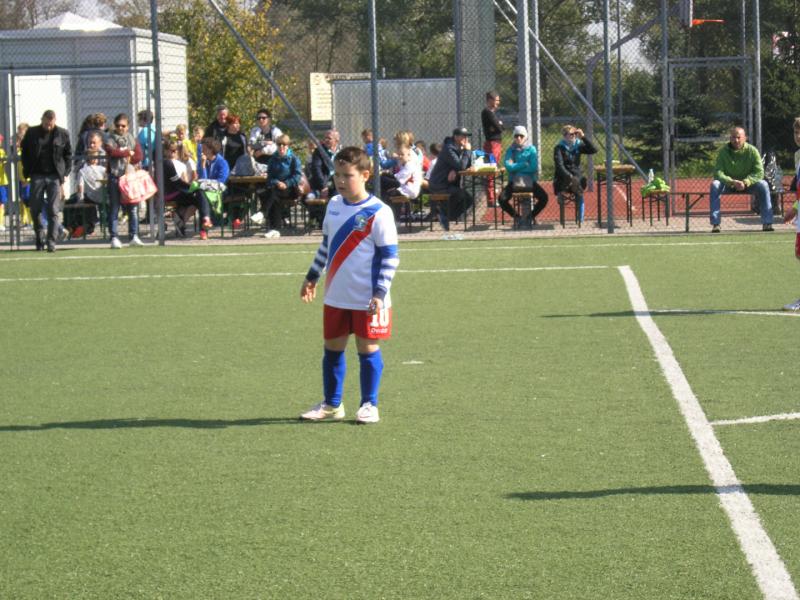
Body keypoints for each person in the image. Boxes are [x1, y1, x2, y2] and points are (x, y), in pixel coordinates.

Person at [299, 146, 399, 424]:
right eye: (337, 175)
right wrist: (312, 276)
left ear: (365, 175)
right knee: (332, 350)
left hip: (368, 298)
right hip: (336, 294)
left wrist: (380, 293)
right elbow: (326, 246)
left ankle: (369, 404)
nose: (340, 181)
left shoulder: (379, 212)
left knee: (368, 350)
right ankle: (332, 404)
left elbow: (390, 257)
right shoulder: (333, 205)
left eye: (347, 175)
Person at [20, 109, 72, 252]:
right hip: (36, 175)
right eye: (46, 123)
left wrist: (65, 173)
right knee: (35, 208)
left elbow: (68, 154)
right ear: (42, 119)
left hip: (54, 176)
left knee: (53, 210)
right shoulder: (32, 133)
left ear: (55, 121)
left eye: (51, 123)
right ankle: (39, 237)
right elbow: (24, 152)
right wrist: (27, 170)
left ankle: (51, 242)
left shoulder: (62, 133)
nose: (48, 126)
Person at [709, 126, 773, 233]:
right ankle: (716, 224)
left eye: (739, 137)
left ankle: (767, 223)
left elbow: (759, 172)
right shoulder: (723, 152)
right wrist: (731, 181)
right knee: (715, 185)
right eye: (733, 137)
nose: (736, 140)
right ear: (730, 138)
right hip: (729, 185)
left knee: (763, 184)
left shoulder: (753, 151)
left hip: (749, 185)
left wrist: (746, 182)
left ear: (745, 138)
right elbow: (718, 173)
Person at [104, 112, 144, 249]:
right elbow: (111, 152)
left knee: (133, 208)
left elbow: (138, 156)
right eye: (118, 125)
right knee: (115, 208)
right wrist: (126, 153)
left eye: (123, 126)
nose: (120, 128)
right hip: (115, 177)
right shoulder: (110, 139)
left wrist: (127, 156)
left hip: (129, 178)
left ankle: (134, 236)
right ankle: (114, 237)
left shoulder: (132, 139)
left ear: (128, 126)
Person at [162, 140, 213, 240]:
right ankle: (193, 223)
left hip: (170, 193)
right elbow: (177, 182)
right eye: (171, 150)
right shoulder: (168, 163)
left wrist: (190, 187)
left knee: (192, 199)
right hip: (171, 193)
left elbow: (182, 181)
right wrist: (191, 187)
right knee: (199, 198)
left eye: (175, 150)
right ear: (165, 151)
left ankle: (180, 219)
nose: (174, 152)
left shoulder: (163, 163)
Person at [427, 127, 474, 231]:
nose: (466, 139)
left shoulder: (458, 148)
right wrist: (467, 151)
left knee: (467, 199)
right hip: (439, 184)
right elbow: (462, 166)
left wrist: (455, 169)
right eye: (463, 136)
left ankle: (444, 215)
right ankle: (443, 214)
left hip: (447, 183)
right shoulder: (449, 148)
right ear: (456, 137)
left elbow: (463, 165)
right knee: (465, 197)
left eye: (466, 136)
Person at [553, 124, 597, 223]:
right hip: (563, 178)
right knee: (575, 181)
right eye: (571, 134)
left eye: (574, 134)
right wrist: (569, 176)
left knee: (579, 185)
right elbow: (559, 166)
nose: (573, 136)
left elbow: (594, 149)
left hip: (576, 178)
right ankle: (562, 192)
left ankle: (580, 219)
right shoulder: (559, 148)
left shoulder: (578, 146)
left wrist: (583, 137)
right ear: (565, 136)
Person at [262, 134, 303, 239]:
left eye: (284, 144)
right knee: (271, 194)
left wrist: (286, 183)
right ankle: (275, 229)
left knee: (272, 194)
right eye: (279, 144)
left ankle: (263, 213)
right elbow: (270, 177)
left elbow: (297, 176)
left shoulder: (294, 159)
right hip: (276, 188)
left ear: (288, 146)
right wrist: (277, 182)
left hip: (291, 189)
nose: (281, 147)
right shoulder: (273, 159)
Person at [305, 129, 339, 228]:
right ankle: (319, 220)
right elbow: (316, 169)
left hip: (337, 184)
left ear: (336, 140)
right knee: (310, 197)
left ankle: (334, 222)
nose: (326, 140)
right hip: (322, 183)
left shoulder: (341, 152)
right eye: (325, 138)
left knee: (337, 197)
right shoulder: (319, 151)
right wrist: (323, 186)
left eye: (329, 138)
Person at [481, 91, 503, 206]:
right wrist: (498, 125)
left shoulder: (494, 113)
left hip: (497, 143)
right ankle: (491, 199)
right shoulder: (487, 112)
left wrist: (498, 125)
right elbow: (498, 127)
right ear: (490, 100)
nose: (498, 102)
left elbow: (500, 127)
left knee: (494, 171)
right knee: (491, 170)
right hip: (492, 144)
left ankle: (493, 196)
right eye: (496, 100)